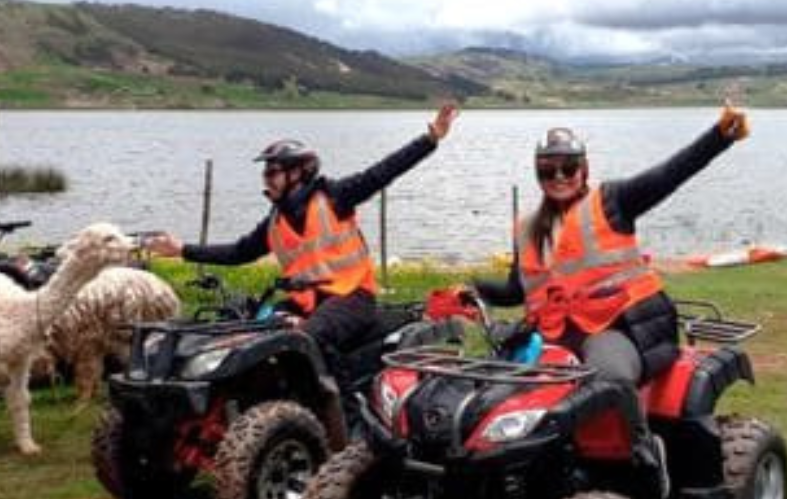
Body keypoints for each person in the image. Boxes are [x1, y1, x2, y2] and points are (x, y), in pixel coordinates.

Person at [146, 104, 459, 359]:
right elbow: (240, 252)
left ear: (298, 172)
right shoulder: (275, 221)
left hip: (352, 298)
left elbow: (382, 172)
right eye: (265, 173)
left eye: (272, 171)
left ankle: (330, 410)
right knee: (248, 336)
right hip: (305, 303)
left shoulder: (334, 196)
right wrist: (182, 250)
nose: (266, 179)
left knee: (298, 342)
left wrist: (429, 139)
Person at [474, 104, 750, 389]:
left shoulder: (612, 201)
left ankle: (632, 419)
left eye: (568, 167)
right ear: (538, 175)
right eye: (547, 170)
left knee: (608, 381)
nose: (559, 176)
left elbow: (670, 174)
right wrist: (475, 290)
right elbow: (517, 290)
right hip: (555, 333)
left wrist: (719, 137)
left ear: (583, 170)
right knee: (494, 386)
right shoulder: (526, 228)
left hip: (618, 326)